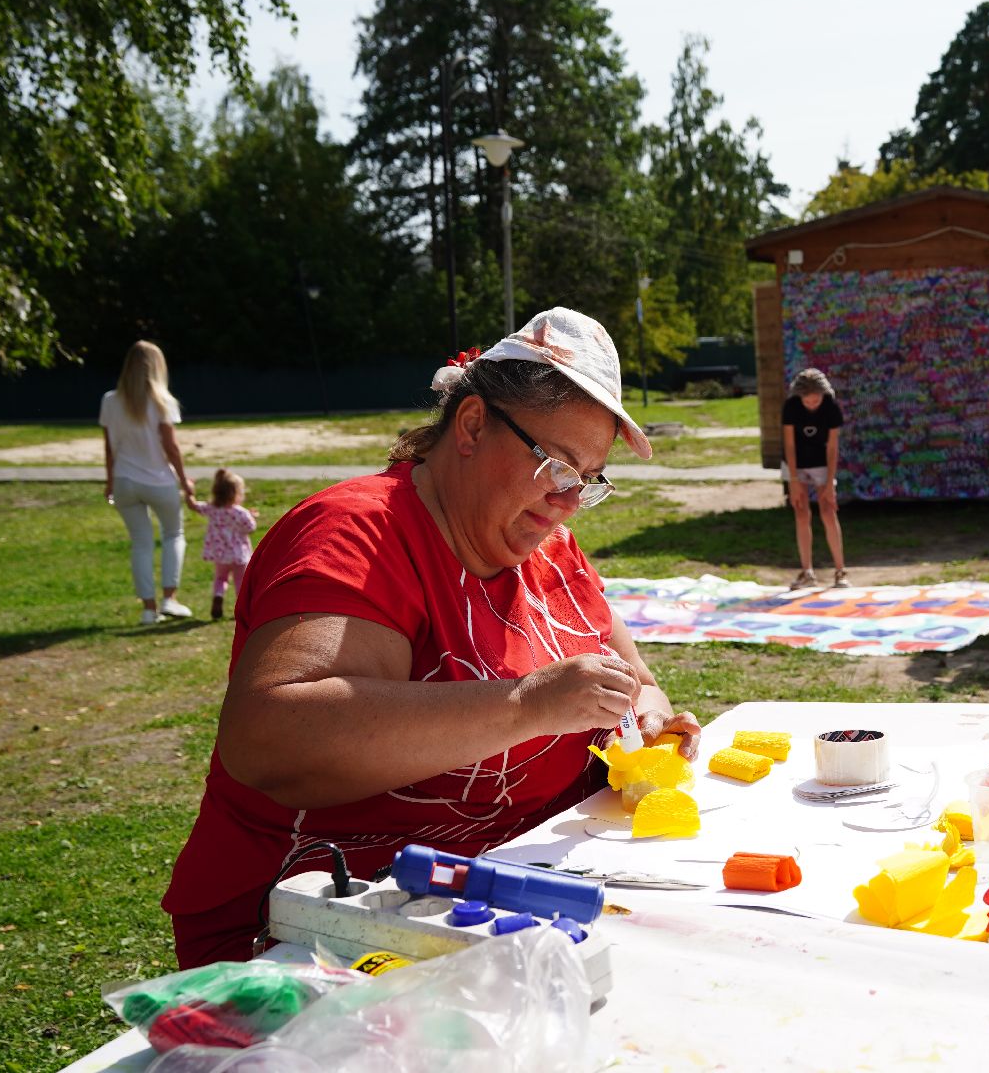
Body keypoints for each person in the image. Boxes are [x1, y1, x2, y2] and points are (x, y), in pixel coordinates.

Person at [163, 308, 701, 968]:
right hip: (329, 931)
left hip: (520, 906)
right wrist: (528, 704)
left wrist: (648, 718)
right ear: (472, 424)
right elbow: (271, 740)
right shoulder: (357, 535)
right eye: (557, 466)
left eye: (587, 480)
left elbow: (635, 679)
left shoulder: (549, 546)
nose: (567, 502)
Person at [100, 340, 197, 624]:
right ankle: (170, 598)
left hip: (124, 480)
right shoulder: (162, 401)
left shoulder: (110, 400)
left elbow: (109, 448)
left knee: (140, 543)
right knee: (173, 534)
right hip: (159, 481)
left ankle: (148, 609)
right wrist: (184, 481)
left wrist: (110, 481)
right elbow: (171, 447)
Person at [781, 368, 848, 590]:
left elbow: (832, 447)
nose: (811, 405)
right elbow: (789, 444)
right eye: (807, 401)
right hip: (796, 462)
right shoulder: (791, 407)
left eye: (816, 400)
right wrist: (793, 479)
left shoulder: (830, 408)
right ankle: (807, 571)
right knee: (801, 512)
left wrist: (829, 483)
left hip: (821, 460)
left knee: (828, 510)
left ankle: (840, 570)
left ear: (823, 395)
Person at [191, 469, 259, 620]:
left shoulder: (212, 509)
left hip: (220, 554)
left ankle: (218, 595)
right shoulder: (240, 512)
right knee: (240, 582)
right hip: (239, 555)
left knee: (220, 578)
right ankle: (242, 609)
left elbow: (195, 506)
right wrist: (251, 516)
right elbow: (250, 527)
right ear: (235, 493)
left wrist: (189, 492)